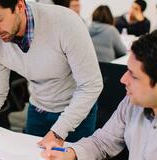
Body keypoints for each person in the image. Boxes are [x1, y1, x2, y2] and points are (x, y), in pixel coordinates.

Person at [0, 0, 103, 148]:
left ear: (19, 6)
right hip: (38, 110)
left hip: (76, 112)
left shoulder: (65, 23)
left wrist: (58, 132)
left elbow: (91, 85)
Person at [41, 31, 157, 160]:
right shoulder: (131, 103)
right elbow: (102, 142)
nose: (123, 79)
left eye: (133, 75)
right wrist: (70, 153)